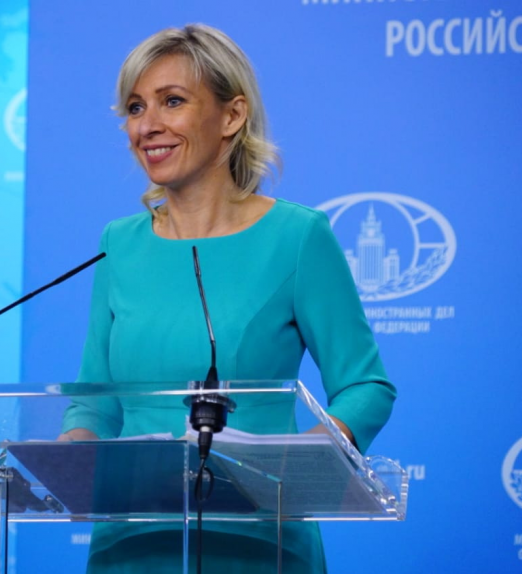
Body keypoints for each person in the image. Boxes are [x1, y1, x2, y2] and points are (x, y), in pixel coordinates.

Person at [58, 24, 396, 573]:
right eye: (136, 107)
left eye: (172, 101)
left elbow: (365, 386)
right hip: (132, 544)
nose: (147, 125)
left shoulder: (297, 237)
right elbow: (96, 401)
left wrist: (302, 467)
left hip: (260, 541)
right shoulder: (119, 244)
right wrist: (67, 460)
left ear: (233, 115)